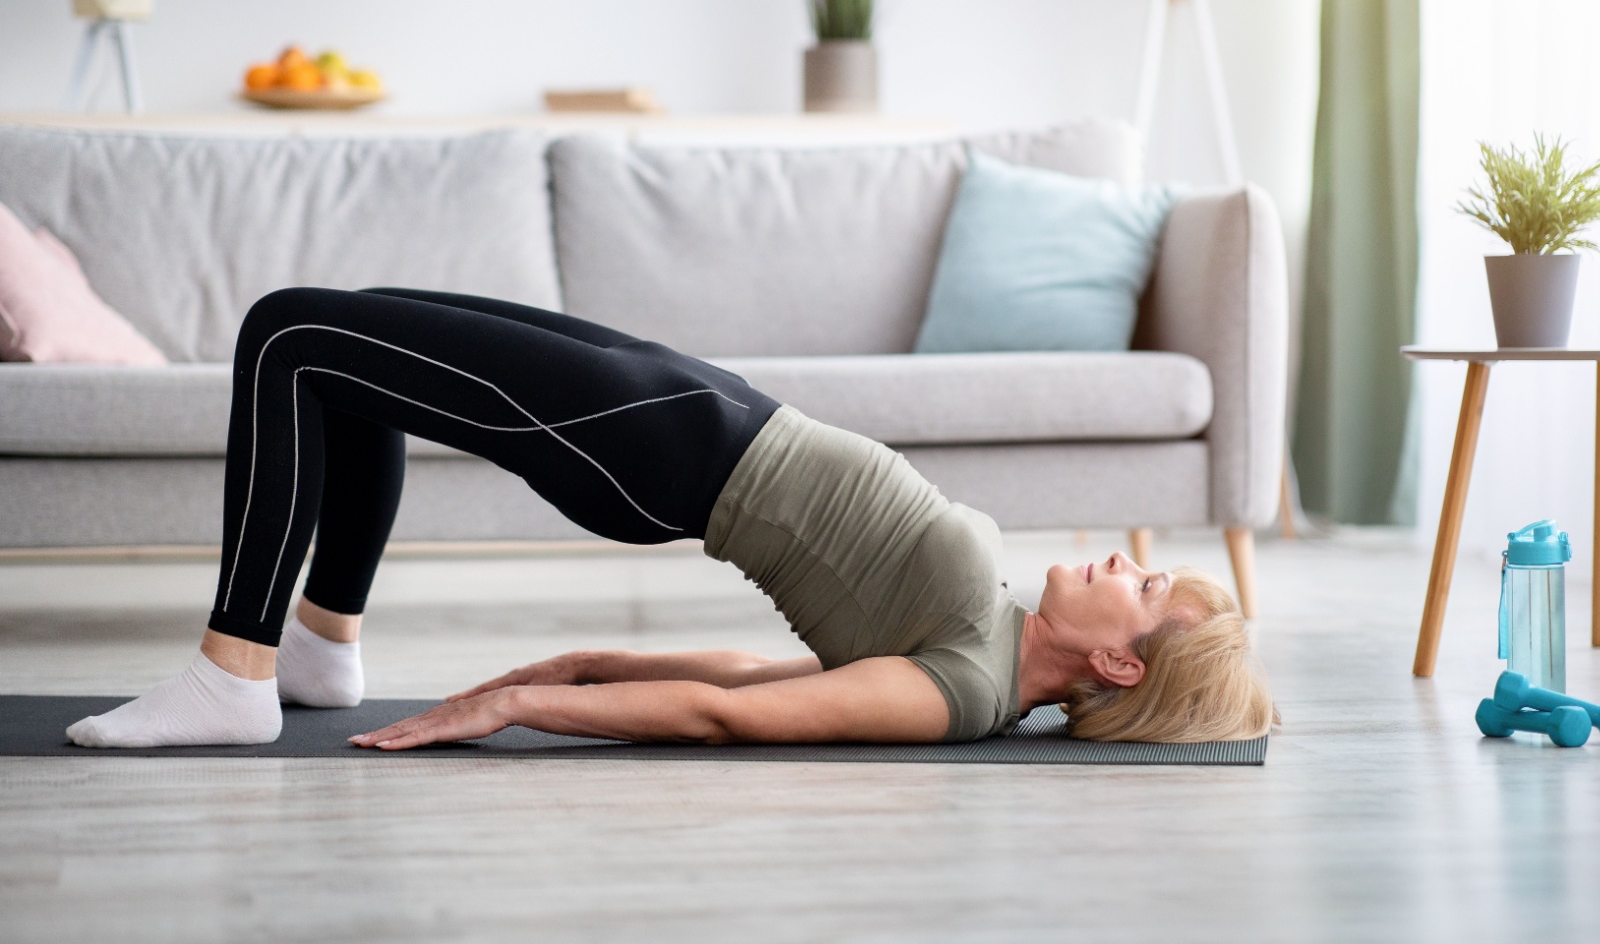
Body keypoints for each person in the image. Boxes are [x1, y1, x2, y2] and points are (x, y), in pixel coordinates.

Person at [66, 287, 1275, 750]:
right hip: (699, 408)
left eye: (1151, 591)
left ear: (1117, 658)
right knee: (351, 343)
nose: (1132, 563)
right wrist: (600, 657)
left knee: (289, 334)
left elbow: (733, 714)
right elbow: (762, 670)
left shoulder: (961, 693)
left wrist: (526, 702)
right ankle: (322, 654)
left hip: (660, 453)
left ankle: (237, 672)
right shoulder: (989, 653)